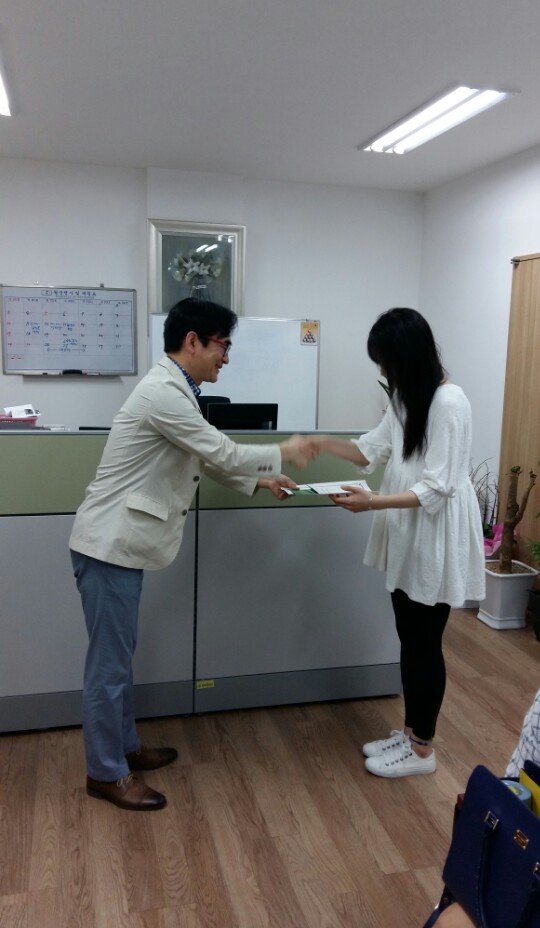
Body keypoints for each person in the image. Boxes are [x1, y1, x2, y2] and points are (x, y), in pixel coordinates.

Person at [69, 298, 313, 811]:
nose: (227, 356)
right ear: (193, 341)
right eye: (224, 344)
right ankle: (105, 773)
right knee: (108, 667)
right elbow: (221, 450)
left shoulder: (178, 391)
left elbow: (206, 457)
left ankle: (125, 748)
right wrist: (283, 451)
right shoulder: (163, 393)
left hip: (120, 546)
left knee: (118, 660)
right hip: (109, 545)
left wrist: (262, 480)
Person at [307, 307, 485, 778]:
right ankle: (410, 733)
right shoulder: (406, 397)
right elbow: (370, 449)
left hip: (434, 531)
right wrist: (321, 443)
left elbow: (439, 488)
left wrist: (373, 503)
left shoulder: (450, 402)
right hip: (408, 528)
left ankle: (422, 750)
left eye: (385, 362)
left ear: (407, 356)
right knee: (409, 636)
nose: (383, 372)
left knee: (425, 641)